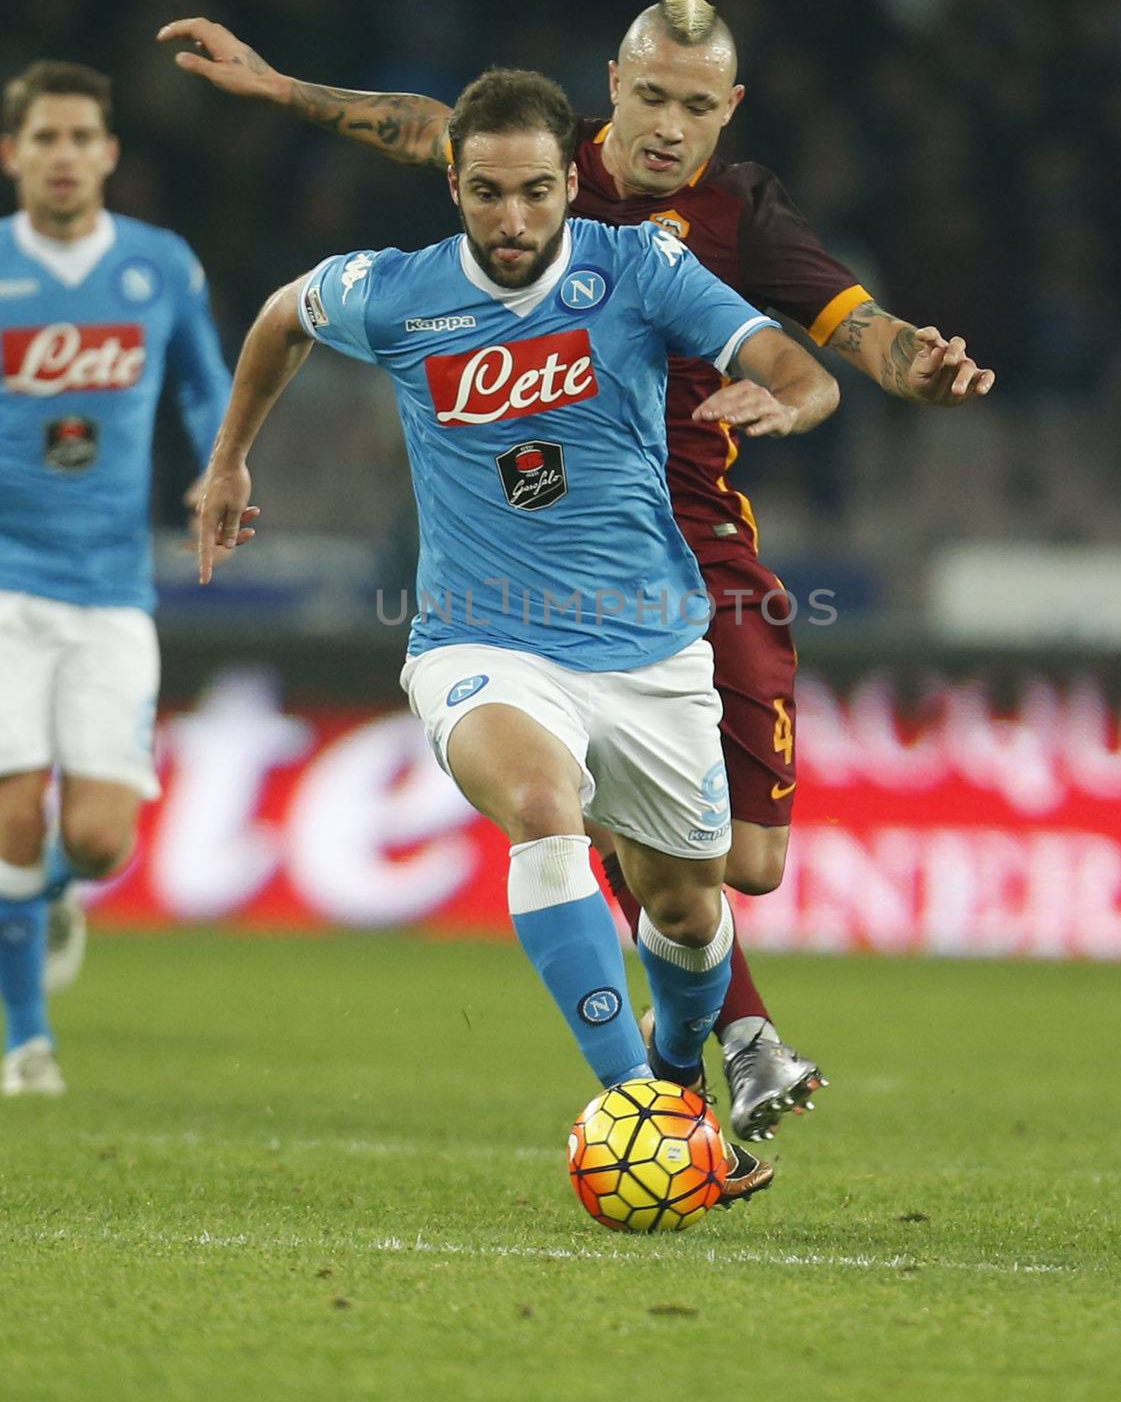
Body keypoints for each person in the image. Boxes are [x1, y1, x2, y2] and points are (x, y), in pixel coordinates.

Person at [161, 0, 995, 1139]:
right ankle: (693, 1070)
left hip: (687, 543)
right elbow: (418, 125)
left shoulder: (728, 225)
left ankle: (702, 1021)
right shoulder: (535, 173)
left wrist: (918, 369)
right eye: (649, 95)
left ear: (728, 109)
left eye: (694, 106)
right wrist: (278, 88)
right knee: (555, 796)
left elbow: (851, 349)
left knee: (737, 871)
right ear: (610, 89)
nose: (666, 125)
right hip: (502, 585)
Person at [196, 67, 840, 1201]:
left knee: (691, 913)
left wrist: (788, 394)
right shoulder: (394, 293)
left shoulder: (635, 268)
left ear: (567, 185)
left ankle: (669, 1072)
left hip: (651, 653)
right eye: (487, 193)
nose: (513, 220)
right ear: (453, 182)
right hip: (479, 643)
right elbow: (277, 316)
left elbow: (781, 356)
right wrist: (228, 455)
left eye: (537, 192)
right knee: (542, 810)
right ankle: (639, 1111)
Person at [0, 60, 233, 1095]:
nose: (61, 155)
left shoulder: (158, 266)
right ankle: (27, 1043)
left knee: (94, 841)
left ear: (108, 153)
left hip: (109, 590)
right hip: (4, 582)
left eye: (79, 137)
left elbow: (203, 387)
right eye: (42, 137)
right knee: (11, 810)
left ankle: (48, 900)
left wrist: (218, 469)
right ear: (13, 153)